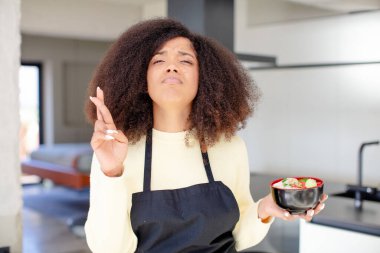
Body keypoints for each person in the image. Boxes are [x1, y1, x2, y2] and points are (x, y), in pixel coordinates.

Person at [84, 18, 327, 253]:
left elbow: (239, 237)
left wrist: (265, 208)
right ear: (141, 79)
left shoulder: (230, 147)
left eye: (186, 61)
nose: (172, 66)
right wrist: (112, 172)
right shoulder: (116, 153)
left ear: (206, 78)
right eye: (158, 61)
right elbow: (109, 249)